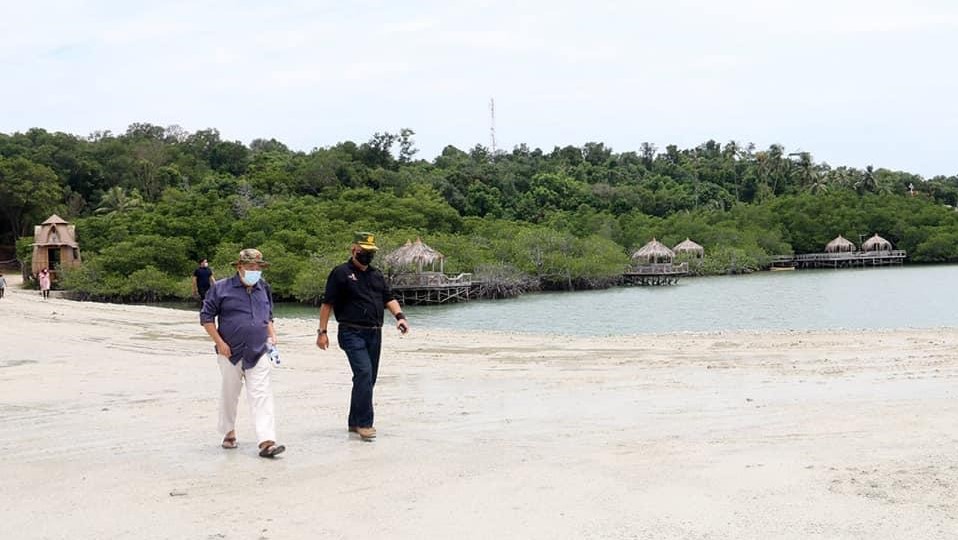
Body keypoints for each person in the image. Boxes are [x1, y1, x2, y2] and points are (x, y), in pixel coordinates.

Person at [316, 232, 410, 440]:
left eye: (371, 252)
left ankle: (354, 421)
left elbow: (388, 298)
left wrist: (400, 317)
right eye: (364, 251)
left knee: (368, 378)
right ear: (354, 250)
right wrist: (322, 332)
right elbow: (327, 304)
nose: (367, 255)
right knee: (364, 374)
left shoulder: (376, 275)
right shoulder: (341, 273)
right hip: (351, 331)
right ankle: (365, 424)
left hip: (375, 333)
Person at [200, 248, 285, 458]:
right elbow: (206, 317)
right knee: (230, 393)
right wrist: (219, 343)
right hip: (230, 351)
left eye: (258, 267)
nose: (254, 271)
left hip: (259, 350)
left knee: (262, 394)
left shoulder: (264, 288)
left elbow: (268, 316)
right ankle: (228, 432)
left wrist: (272, 336)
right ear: (239, 267)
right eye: (250, 267)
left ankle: (267, 441)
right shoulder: (221, 288)